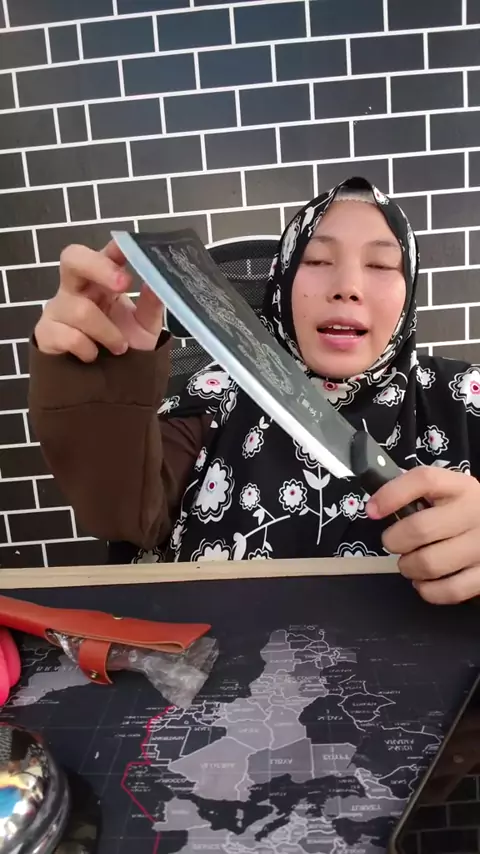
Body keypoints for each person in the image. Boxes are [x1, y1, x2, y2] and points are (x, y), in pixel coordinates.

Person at [29, 177, 480, 605]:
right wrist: (105, 382)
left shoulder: (464, 397)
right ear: (282, 279)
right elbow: (120, 514)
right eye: (317, 260)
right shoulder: (214, 396)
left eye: (380, 264)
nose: (347, 287)